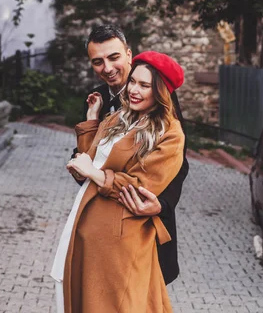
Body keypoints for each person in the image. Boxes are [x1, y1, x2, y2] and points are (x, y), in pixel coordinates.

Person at [51, 52, 186, 312]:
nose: (134, 90)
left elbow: (142, 186)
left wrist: (94, 173)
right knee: (78, 297)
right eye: (133, 81)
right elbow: (87, 163)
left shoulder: (169, 133)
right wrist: (92, 121)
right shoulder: (117, 118)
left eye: (144, 85)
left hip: (121, 238)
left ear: (160, 91)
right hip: (85, 222)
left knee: (118, 304)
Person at [72, 24, 189, 285]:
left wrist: (162, 203)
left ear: (128, 54)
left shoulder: (159, 95)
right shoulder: (97, 98)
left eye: (113, 57)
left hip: (140, 218)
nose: (108, 68)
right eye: (98, 62)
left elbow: (178, 162)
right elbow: (84, 161)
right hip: (100, 220)